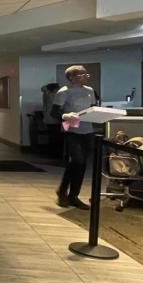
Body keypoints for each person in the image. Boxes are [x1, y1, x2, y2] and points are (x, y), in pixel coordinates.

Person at [52, 65, 98, 209]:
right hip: (71, 130)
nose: (85, 76)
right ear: (71, 77)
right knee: (77, 160)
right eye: (81, 74)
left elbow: (93, 108)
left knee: (82, 163)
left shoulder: (90, 91)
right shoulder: (64, 92)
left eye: (86, 74)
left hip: (87, 130)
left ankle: (73, 195)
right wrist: (65, 116)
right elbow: (54, 113)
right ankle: (62, 192)